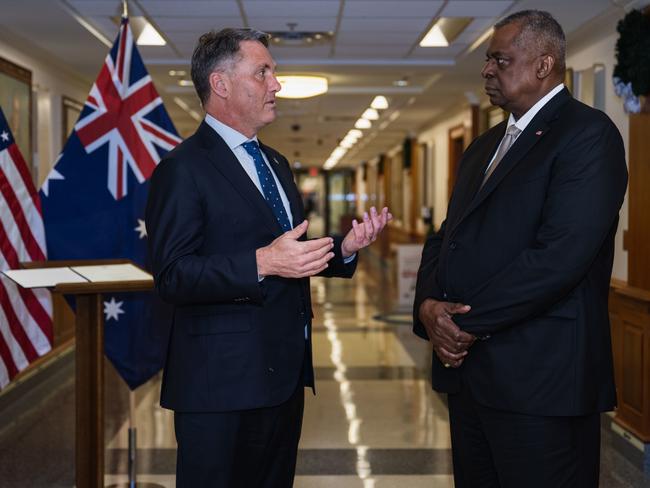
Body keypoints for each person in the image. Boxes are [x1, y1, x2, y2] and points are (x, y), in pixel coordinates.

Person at [145, 28, 391, 488]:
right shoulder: (182, 169)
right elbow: (173, 275)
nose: (276, 83)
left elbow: (288, 251)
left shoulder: (274, 163)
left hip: (282, 376)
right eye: (263, 72)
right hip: (219, 385)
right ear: (220, 84)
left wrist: (345, 248)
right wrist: (260, 263)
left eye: (273, 72)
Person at [413, 10, 627, 488]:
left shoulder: (588, 136)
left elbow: (559, 258)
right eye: (488, 60)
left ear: (543, 65)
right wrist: (428, 307)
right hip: (471, 378)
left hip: (542, 381)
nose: (487, 70)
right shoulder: (484, 146)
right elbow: (446, 238)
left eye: (499, 60)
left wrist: (460, 324)